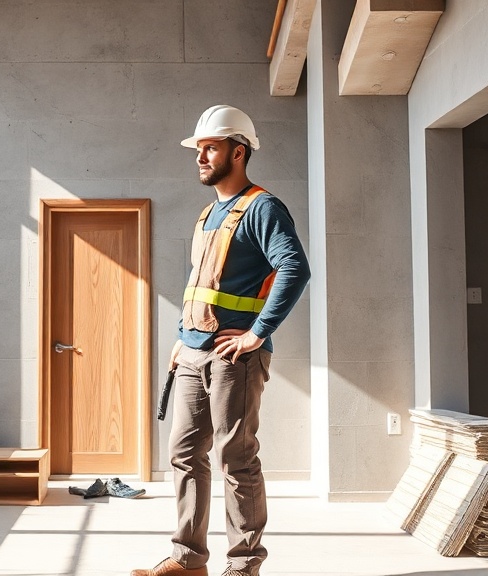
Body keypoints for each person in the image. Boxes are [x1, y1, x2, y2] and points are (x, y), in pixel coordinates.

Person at [132, 105, 310, 576]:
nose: (201, 157)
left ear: (239, 150)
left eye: (210, 148)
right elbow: (199, 283)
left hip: (233, 358)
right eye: (199, 149)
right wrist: (180, 337)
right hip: (192, 351)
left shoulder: (262, 208)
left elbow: (295, 268)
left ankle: (244, 565)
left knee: (236, 456)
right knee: (184, 454)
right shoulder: (210, 212)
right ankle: (188, 560)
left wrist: (257, 334)